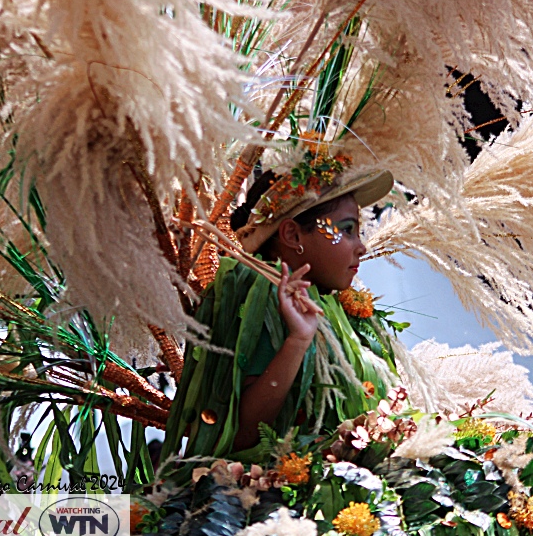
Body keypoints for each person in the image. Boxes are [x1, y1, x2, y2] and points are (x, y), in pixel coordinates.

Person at [161, 166, 395, 461]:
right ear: (292, 234)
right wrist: (297, 342)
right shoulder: (257, 298)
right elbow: (242, 438)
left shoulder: (331, 303)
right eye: (347, 229)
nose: (361, 247)